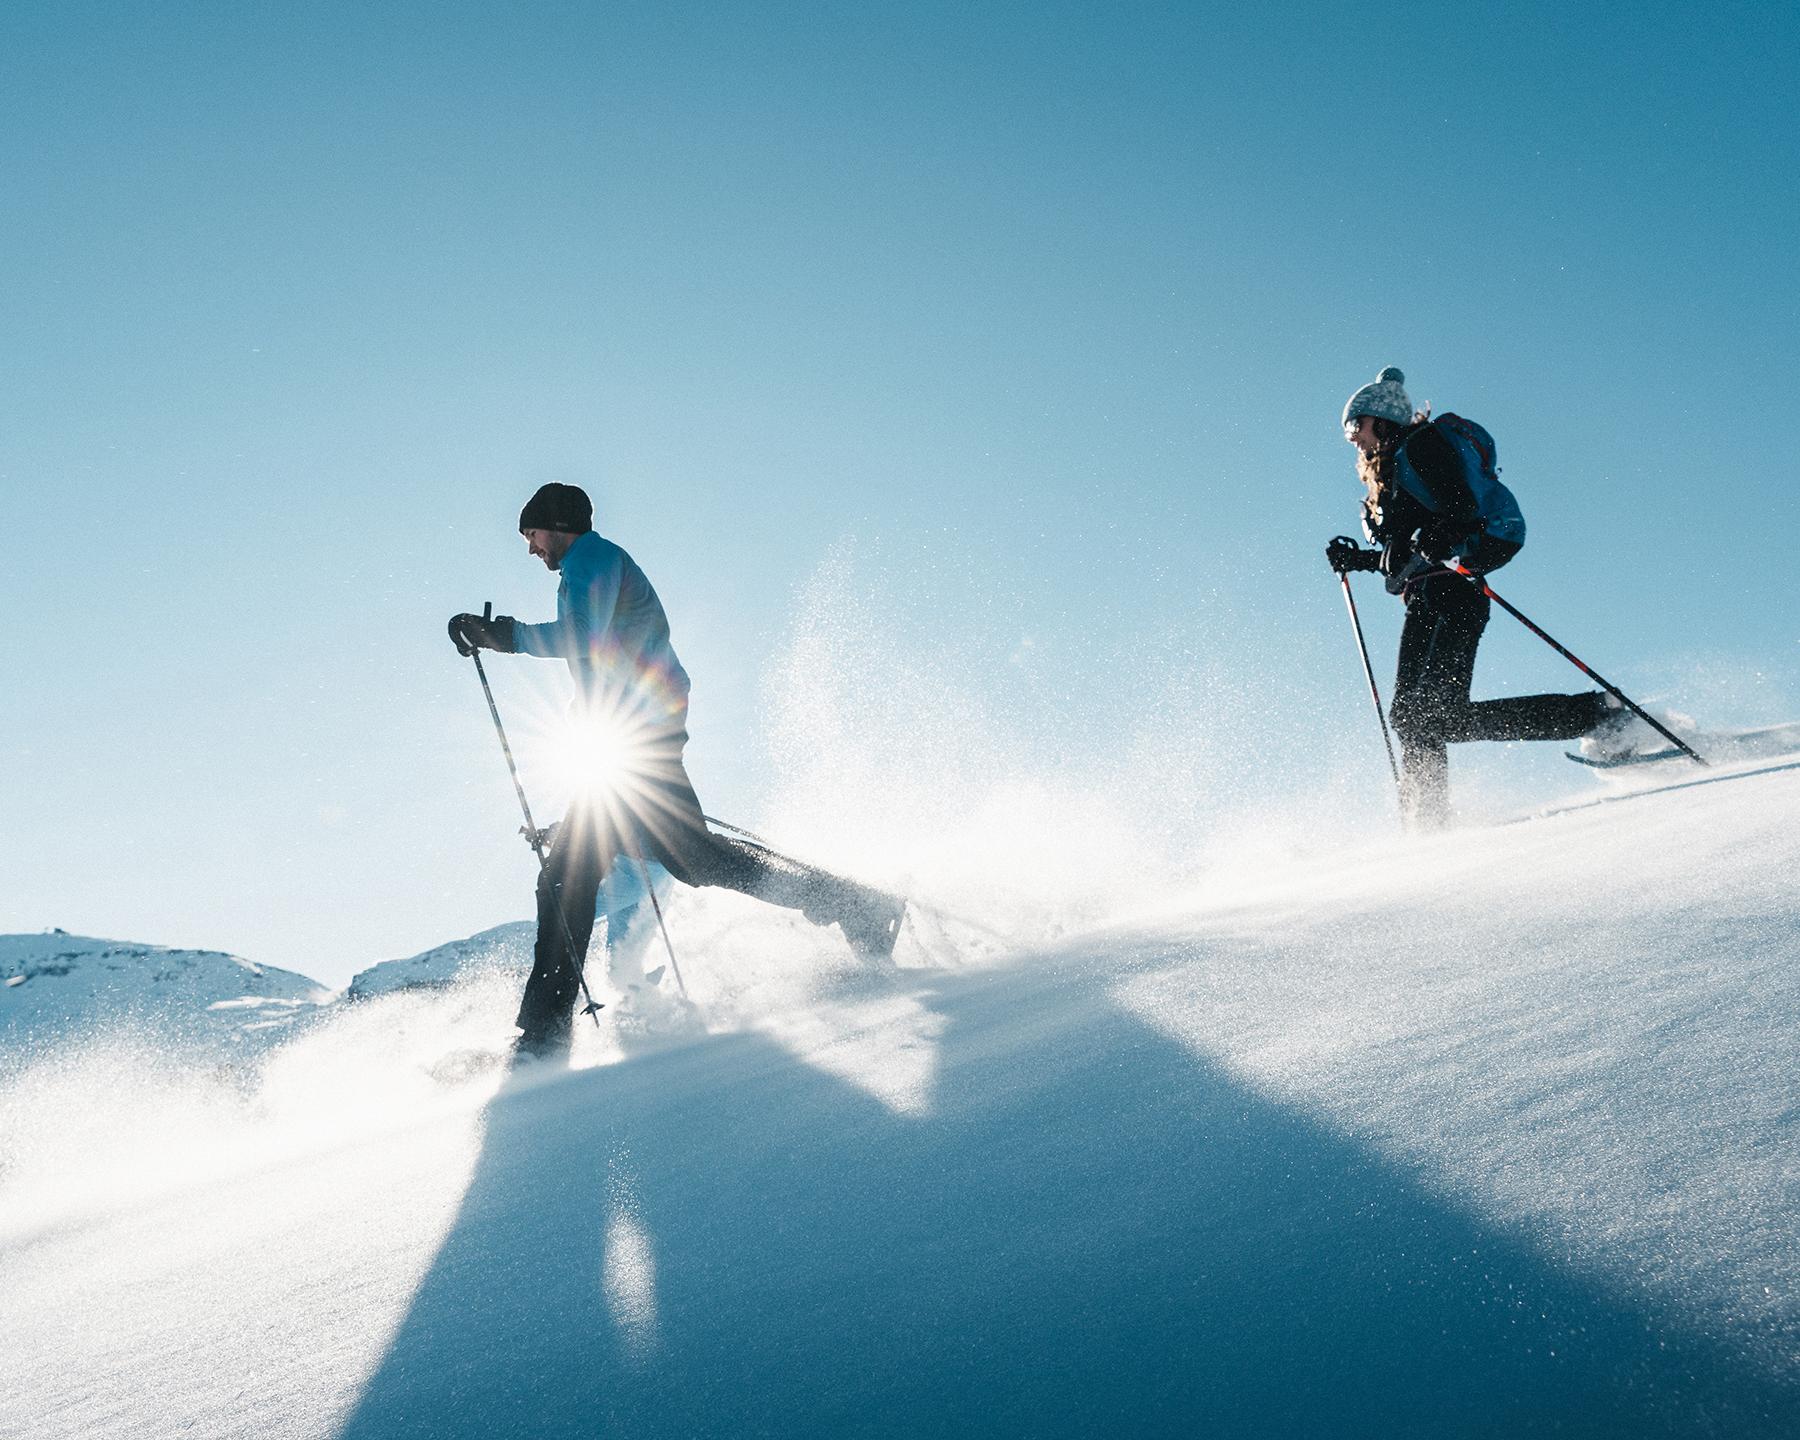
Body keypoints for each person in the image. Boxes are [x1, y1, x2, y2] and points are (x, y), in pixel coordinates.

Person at [450, 483, 904, 1058]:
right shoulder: (587, 569)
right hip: (629, 735)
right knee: (685, 860)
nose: (531, 549)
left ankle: (544, 1034)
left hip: (636, 735)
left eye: (531, 535)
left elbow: (583, 640)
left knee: (579, 874)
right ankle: (854, 905)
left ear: (556, 524)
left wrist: (502, 635)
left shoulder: (591, 558)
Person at [1326, 368, 1625, 827]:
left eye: (1355, 426)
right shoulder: (1392, 469)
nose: (1352, 438)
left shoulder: (1422, 446)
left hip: (1455, 595)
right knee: (1410, 718)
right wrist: (1360, 562)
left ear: (1382, 420)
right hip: (1424, 597)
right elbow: (1407, 553)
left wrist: (1438, 537)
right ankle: (1428, 821)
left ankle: (1597, 714)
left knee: (1437, 718)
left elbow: (1459, 507)